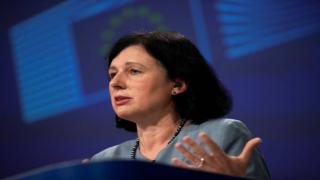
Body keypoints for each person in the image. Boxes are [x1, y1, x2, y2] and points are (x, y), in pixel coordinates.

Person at [89, 31, 270, 179]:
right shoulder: (105, 162)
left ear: (177, 84)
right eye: (112, 74)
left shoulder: (222, 136)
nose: (115, 83)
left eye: (134, 71)